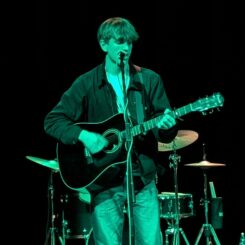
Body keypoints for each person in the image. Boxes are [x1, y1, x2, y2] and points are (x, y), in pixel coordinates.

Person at [44, 17, 178, 245]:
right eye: (119, 42)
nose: (126, 48)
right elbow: (53, 120)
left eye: (129, 42)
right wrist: (84, 136)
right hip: (104, 180)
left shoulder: (148, 80)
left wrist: (167, 127)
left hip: (142, 180)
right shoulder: (87, 83)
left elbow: (162, 130)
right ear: (104, 44)